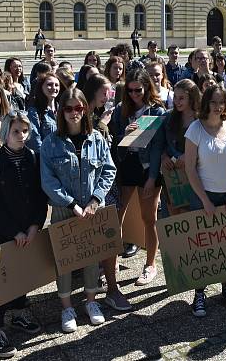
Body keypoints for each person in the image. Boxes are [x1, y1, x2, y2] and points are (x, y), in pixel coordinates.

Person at [41, 88, 115, 333]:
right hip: (65, 210)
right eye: (69, 108)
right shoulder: (50, 143)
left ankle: (92, 302)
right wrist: (71, 204)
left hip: (92, 209)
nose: (74, 113)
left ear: (85, 109)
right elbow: (48, 181)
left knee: (93, 256)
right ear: (61, 111)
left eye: (79, 108)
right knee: (65, 260)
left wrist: (95, 200)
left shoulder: (97, 138)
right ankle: (66, 307)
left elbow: (108, 170)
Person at [0, 112, 46, 358]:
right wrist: (13, 231)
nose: (21, 136)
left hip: (27, 231)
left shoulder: (32, 158)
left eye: (25, 131)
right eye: (16, 131)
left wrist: (34, 226)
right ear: (5, 132)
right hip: (1, 234)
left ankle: (19, 314)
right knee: (2, 284)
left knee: (23, 275)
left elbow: (40, 197)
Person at [183, 84, 226, 316]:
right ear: (206, 103)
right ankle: (199, 293)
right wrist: (205, 200)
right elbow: (189, 169)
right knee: (203, 247)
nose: (218, 106)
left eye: (222, 102)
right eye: (214, 102)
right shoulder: (195, 129)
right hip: (203, 196)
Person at [109, 69, 166, 283]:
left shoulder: (157, 112)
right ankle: (111, 263)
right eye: (130, 90)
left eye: (138, 90)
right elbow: (115, 143)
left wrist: (152, 178)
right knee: (117, 216)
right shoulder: (121, 110)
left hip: (147, 167)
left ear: (147, 87)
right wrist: (125, 133)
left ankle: (150, 265)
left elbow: (157, 147)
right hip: (126, 165)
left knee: (148, 217)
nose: (134, 94)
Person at [81, 74, 131, 312]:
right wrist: (102, 124)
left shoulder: (101, 114)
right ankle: (107, 288)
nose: (110, 96)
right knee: (104, 237)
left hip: (106, 183)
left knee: (109, 236)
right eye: (106, 92)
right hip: (90, 186)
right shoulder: (86, 114)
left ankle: (109, 284)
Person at [158, 79, 201, 216]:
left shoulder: (201, 119)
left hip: (196, 174)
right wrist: (163, 156)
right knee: (174, 215)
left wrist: (189, 157)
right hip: (173, 174)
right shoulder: (168, 117)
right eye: (175, 97)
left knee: (192, 214)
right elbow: (160, 143)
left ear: (192, 97)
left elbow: (209, 145)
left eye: (182, 98)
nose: (177, 101)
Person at [27, 72, 60, 152]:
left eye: (56, 85)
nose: (54, 88)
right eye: (49, 84)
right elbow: (34, 141)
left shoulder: (62, 109)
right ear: (41, 87)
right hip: (45, 159)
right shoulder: (34, 111)